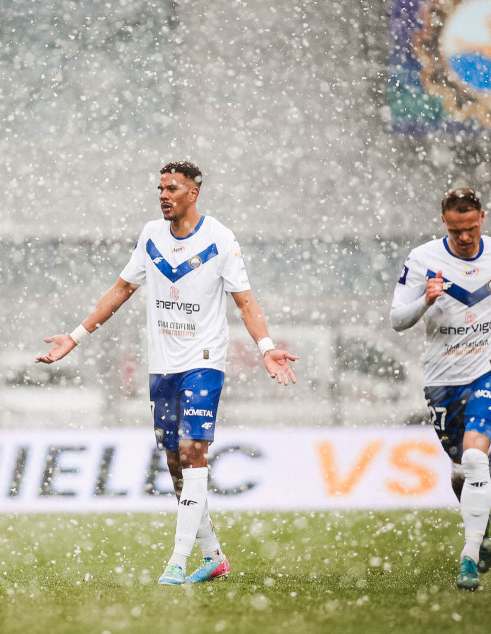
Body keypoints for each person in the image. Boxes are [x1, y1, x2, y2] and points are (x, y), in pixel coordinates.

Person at [36, 161, 298, 585]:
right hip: (162, 366)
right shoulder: (150, 236)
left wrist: (266, 348)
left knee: (194, 451)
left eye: (171, 188)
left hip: (203, 361)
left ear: (193, 193)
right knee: (177, 464)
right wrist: (75, 336)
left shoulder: (219, 238)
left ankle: (176, 562)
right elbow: (121, 289)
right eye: (160, 188)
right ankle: (213, 557)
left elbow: (245, 301)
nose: (163, 195)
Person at [390, 187, 491, 591]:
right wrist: (426, 302)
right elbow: (398, 319)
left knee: (474, 455)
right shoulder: (422, 260)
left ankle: (468, 557)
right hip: (442, 378)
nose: (464, 237)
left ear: (482, 217)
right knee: (459, 470)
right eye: (456, 230)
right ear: (444, 223)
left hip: (490, 368)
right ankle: (481, 527)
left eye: (470, 228)